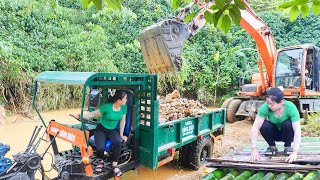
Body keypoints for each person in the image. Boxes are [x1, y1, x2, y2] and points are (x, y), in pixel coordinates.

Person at [73, 90, 128, 176]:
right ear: (119, 100)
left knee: (118, 142)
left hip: (112, 130)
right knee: (100, 148)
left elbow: (122, 121)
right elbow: (93, 114)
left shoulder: (124, 107)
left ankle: (115, 165)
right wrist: (81, 116)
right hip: (101, 129)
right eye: (125, 98)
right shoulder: (107, 107)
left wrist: (121, 134)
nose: (126, 100)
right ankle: (101, 161)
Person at [250, 87, 301, 163]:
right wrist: (254, 149)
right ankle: (272, 147)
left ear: (281, 102)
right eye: (268, 103)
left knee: (288, 124)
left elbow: (297, 131)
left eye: (272, 104)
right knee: (264, 125)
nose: (269, 106)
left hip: (287, 134)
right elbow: (255, 128)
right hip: (274, 134)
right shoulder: (265, 108)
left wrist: (295, 152)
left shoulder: (291, 107)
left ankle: (287, 146)